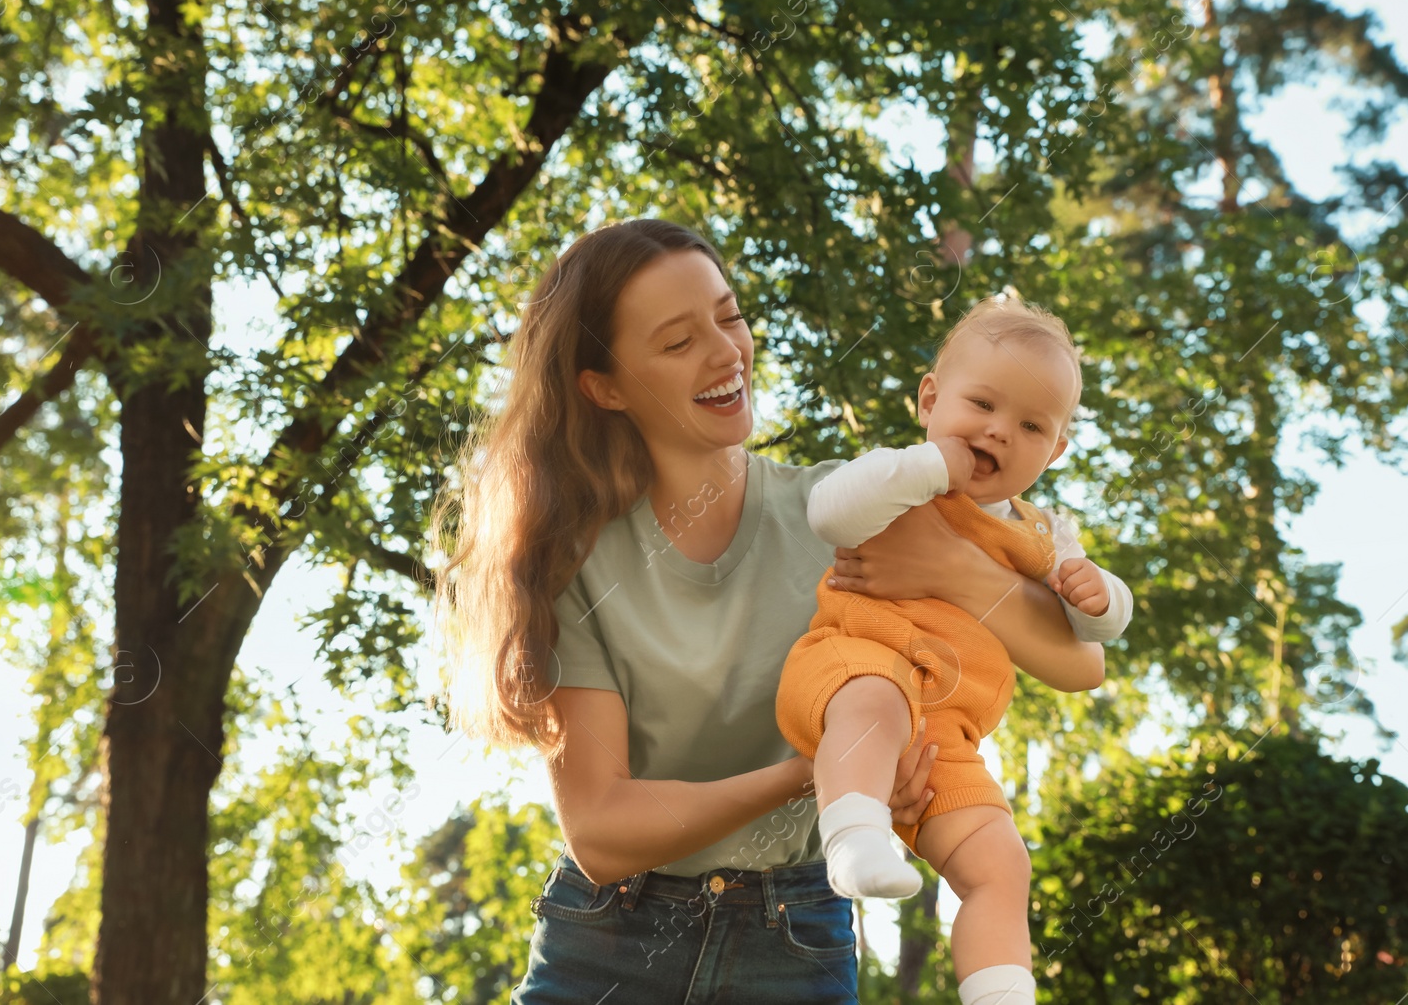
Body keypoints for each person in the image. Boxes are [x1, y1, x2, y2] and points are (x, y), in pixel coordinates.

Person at [430, 219, 1106, 1004]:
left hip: (795, 939)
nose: (725, 352)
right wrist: (816, 771)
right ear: (604, 384)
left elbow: (1078, 660)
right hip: (610, 944)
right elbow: (604, 829)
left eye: (729, 315)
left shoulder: (840, 506)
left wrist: (956, 569)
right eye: (678, 341)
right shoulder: (576, 562)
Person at [775, 294, 1130, 1005]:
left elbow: (1088, 644)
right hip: (851, 672)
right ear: (930, 399)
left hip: (947, 738)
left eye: (1031, 425)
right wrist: (930, 465)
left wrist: (1106, 598)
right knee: (876, 700)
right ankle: (853, 839)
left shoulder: (1045, 533)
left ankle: (1000, 992)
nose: (1000, 432)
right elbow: (829, 511)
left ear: (1056, 449)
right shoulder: (899, 479)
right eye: (983, 405)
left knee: (1001, 862)